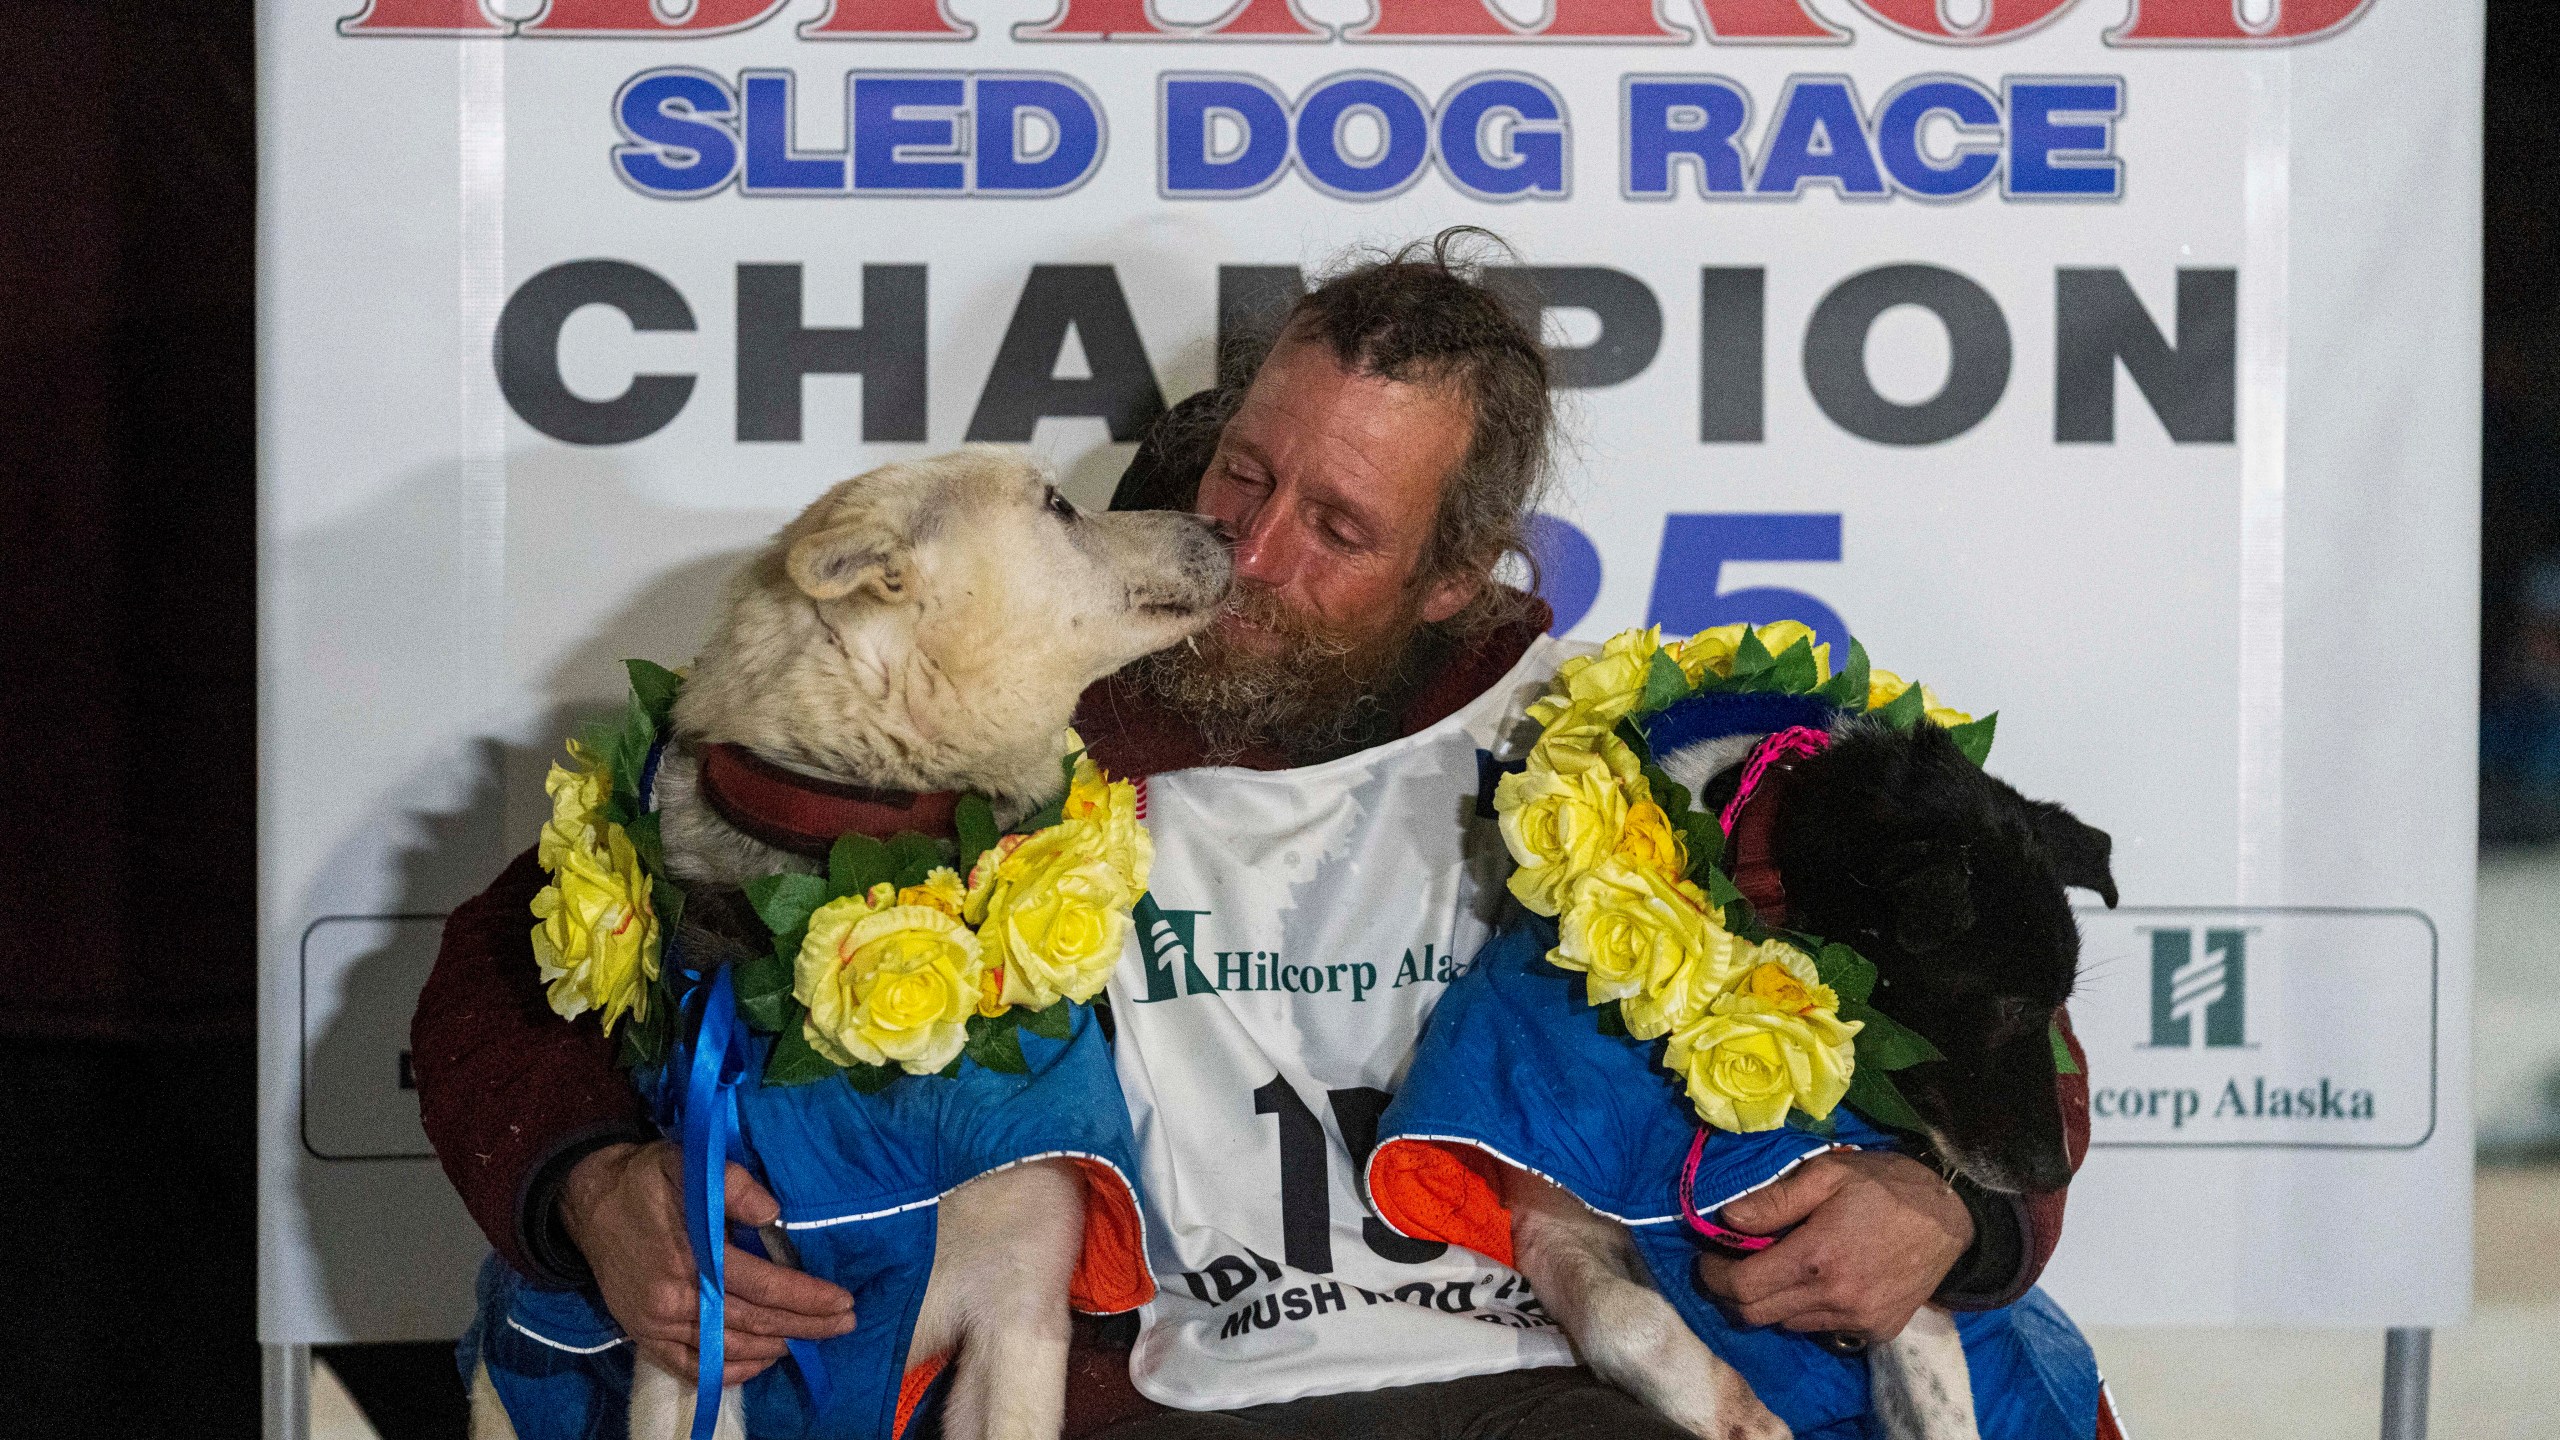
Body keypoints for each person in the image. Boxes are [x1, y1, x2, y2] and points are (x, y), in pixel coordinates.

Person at [413, 231, 2088, 1438]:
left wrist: (1945, 1200)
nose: (1255, 553)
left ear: (1458, 573)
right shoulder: (993, 702)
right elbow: (519, 956)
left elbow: (1982, 967)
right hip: (1142, 1389)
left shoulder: (1615, 754)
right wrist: (595, 1188)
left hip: (1540, 1375)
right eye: (1243, 475)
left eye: (1341, 528)